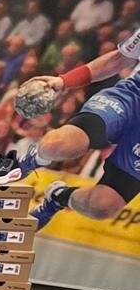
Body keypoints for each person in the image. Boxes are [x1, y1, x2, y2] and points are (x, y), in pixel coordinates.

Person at [20, 29, 140, 227]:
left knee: (102, 206)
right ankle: (31, 159)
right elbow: (118, 60)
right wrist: (63, 81)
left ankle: (58, 197)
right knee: (57, 146)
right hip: (131, 100)